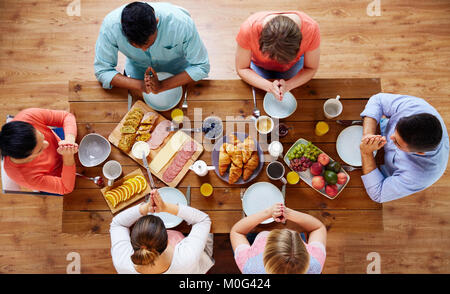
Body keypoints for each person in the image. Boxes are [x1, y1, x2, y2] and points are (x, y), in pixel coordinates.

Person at [94, 2, 210, 96]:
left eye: (148, 43)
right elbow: (103, 70)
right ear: (122, 30)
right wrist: (140, 85)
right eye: (136, 46)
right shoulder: (110, 28)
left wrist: (162, 85)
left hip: (179, 75)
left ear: (157, 22)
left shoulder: (181, 25)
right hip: (137, 75)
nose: (144, 50)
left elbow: (201, 66)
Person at [359, 93, 449, 203]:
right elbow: (378, 100)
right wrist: (367, 134)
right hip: (377, 130)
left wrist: (366, 154)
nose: (390, 138)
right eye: (395, 130)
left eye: (397, 142)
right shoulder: (416, 107)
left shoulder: (421, 175)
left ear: (420, 153)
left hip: (382, 170)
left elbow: (378, 194)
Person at [110, 189, 214, 274]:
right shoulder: (186, 258)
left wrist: (145, 208)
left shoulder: (122, 263)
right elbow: (203, 220)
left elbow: (117, 224)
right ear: (168, 240)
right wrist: (165, 207)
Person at [235, 11, 320, 101]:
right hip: (259, 66)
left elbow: (310, 68)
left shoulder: (311, 29)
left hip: (291, 67)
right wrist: (268, 86)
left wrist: (289, 85)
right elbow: (242, 68)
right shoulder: (249, 29)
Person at [230, 203, 327, 274]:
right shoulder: (316, 263)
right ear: (307, 257)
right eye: (294, 233)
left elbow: (237, 232)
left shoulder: (250, 266)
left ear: (265, 254)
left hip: (254, 237)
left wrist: (268, 213)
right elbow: (318, 228)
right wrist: (289, 213)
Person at [0, 108, 78, 195]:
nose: (47, 144)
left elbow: (66, 116)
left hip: (63, 139)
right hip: (62, 175)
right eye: (40, 149)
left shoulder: (27, 116)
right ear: (28, 157)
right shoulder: (24, 176)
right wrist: (68, 158)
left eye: (42, 136)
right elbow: (65, 187)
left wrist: (70, 140)